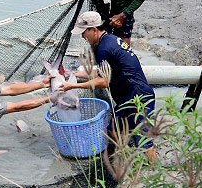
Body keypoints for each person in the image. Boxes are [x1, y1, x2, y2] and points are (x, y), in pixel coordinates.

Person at [59, 11, 157, 161]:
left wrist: (72, 87)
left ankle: (155, 169)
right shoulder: (110, 40)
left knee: (144, 141)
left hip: (138, 97)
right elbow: (103, 73)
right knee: (112, 130)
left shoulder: (104, 49)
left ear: (94, 29)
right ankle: (126, 160)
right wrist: (75, 75)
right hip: (127, 98)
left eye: (84, 33)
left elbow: (103, 82)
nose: (83, 37)